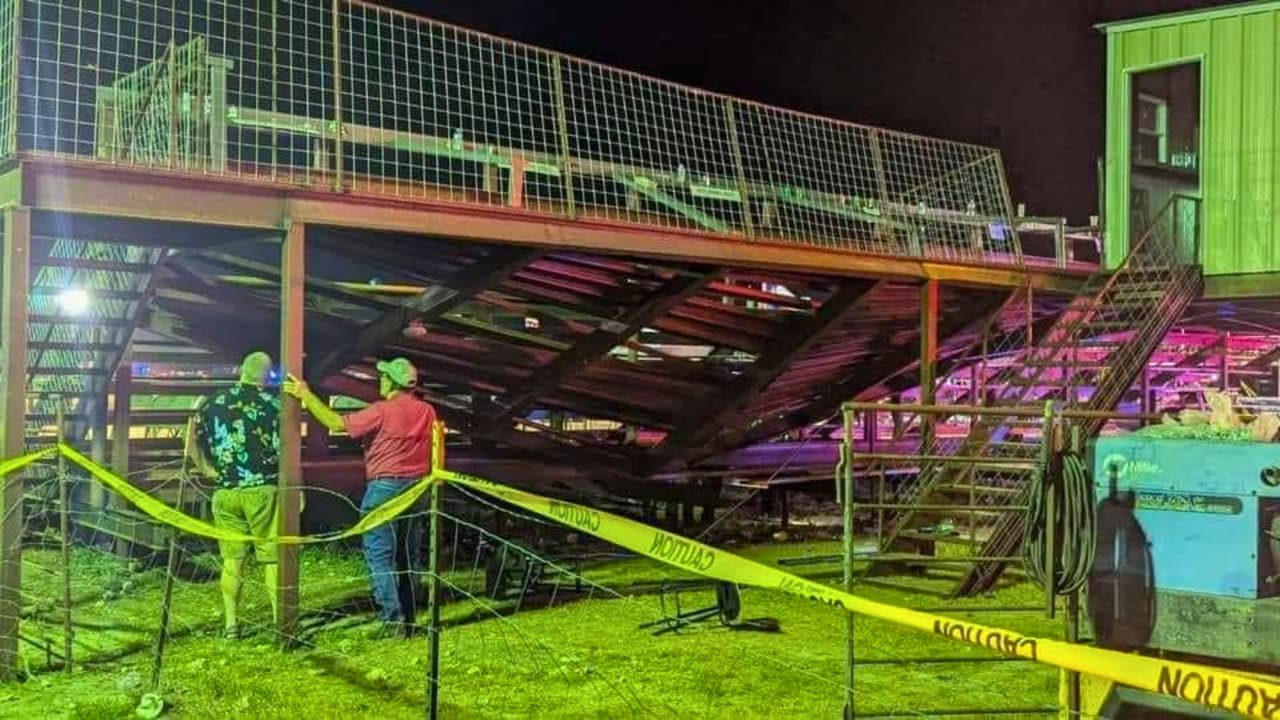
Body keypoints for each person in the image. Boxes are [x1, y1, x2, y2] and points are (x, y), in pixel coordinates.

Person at [283, 357, 436, 638]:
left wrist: (306, 395)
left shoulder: (381, 410)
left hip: (384, 488)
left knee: (380, 556)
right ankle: (410, 619)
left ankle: (392, 621)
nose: (380, 380)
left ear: (392, 382)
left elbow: (337, 423)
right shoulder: (427, 411)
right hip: (417, 489)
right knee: (408, 555)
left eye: (384, 377)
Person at [184, 351, 282, 640]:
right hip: (263, 491)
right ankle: (280, 623)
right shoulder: (274, 405)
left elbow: (190, 445)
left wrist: (208, 470)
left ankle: (231, 624)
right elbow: (285, 451)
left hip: (226, 491)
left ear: (242, 371)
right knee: (272, 558)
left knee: (232, 560)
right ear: (267, 377)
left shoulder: (212, 403)